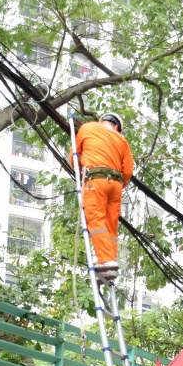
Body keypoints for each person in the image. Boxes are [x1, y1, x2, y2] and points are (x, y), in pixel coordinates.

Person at [70, 110, 133, 281]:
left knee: (96, 220)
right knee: (110, 226)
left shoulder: (87, 128)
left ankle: (105, 261)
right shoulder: (122, 140)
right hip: (117, 185)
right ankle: (109, 265)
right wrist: (116, 184)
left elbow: (74, 157)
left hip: (95, 180)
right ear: (117, 127)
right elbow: (127, 171)